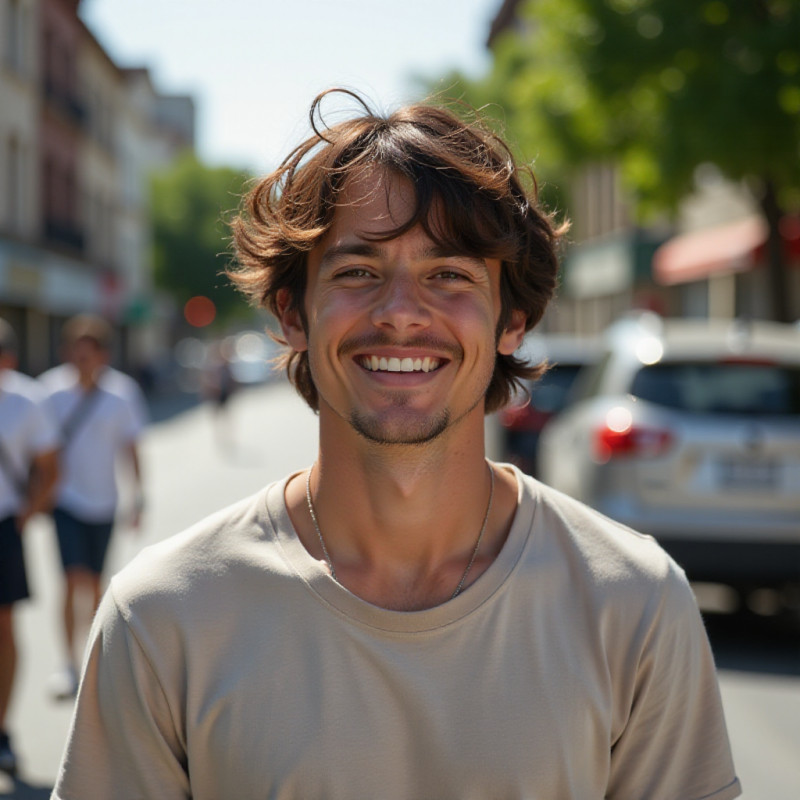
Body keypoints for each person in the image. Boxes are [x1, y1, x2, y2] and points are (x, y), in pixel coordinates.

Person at [52, 91, 741, 799]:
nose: (403, 313)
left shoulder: (635, 604)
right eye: (358, 272)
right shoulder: (164, 615)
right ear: (293, 314)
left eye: (449, 275)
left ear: (513, 321)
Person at [42, 315, 144, 701]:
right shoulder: (50, 391)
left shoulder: (122, 393)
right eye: (75, 353)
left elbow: (131, 448)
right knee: (71, 579)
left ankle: (92, 660)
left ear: (102, 354)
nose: (81, 361)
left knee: (97, 585)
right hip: (65, 501)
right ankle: (67, 664)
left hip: (105, 502)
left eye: (89, 354)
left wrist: (138, 496)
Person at [0, 319, 59, 775]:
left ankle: (1, 728)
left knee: (3, 629)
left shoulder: (25, 401)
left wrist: (30, 510)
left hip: (3, 525)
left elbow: (48, 463)